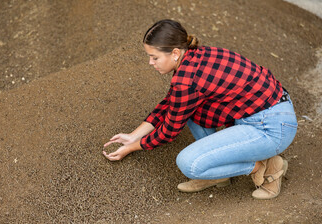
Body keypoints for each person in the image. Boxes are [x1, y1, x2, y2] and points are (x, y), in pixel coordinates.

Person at [102, 19, 298, 199]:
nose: (150, 63)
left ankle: (264, 168)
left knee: (189, 163)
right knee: (190, 111)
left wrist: (131, 147)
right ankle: (218, 175)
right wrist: (133, 135)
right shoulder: (197, 56)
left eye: (154, 57)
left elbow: (168, 133)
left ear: (175, 53)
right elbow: (173, 103)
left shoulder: (186, 81)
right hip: (267, 112)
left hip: (270, 129)